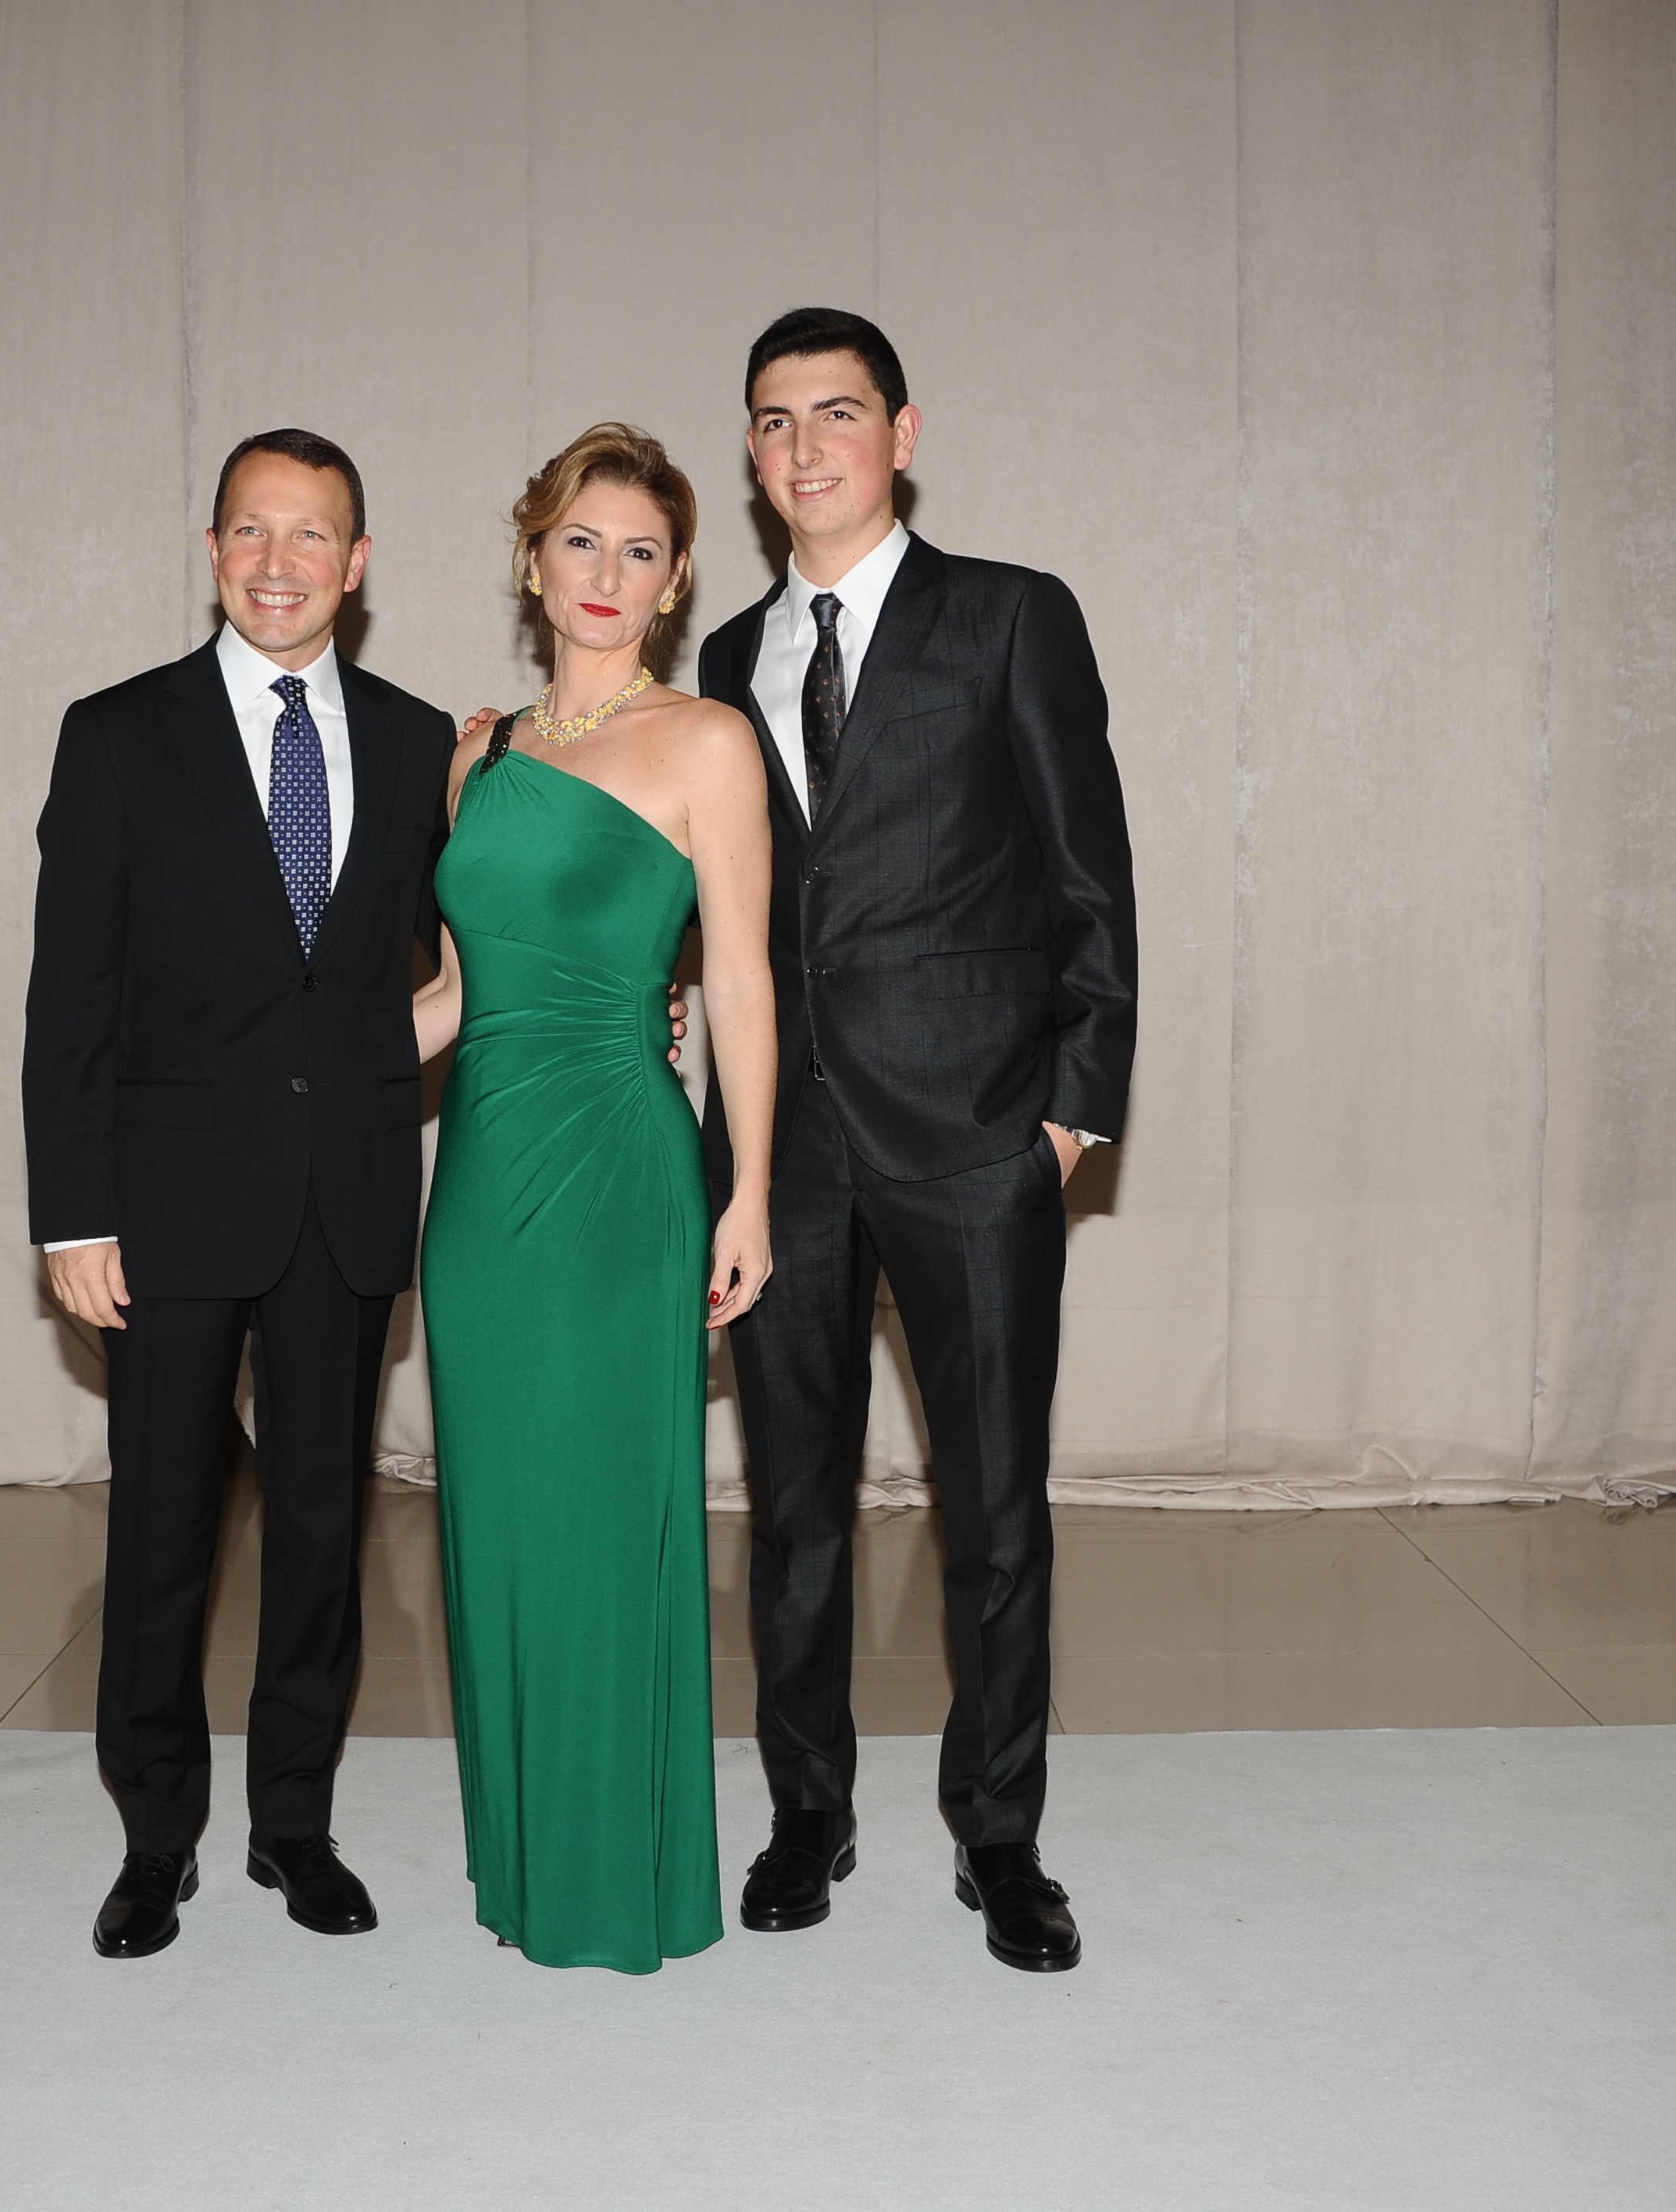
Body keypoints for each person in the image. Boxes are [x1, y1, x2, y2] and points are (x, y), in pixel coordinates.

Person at [698, 308, 1136, 1974]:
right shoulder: (725, 657)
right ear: (751, 451)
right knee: (792, 1507)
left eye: (838, 412)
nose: (804, 445)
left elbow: (1090, 872)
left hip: (976, 1135)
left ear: (902, 431)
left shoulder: (1012, 616)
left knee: (994, 1511)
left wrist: (1073, 1112)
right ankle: (805, 1811)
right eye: (774, 419)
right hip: (782, 1148)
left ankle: (1000, 1837)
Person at [23, 430, 456, 1960]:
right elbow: (69, 994)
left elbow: (428, 960)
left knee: (325, 1532)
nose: (280, 562)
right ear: (214, 551)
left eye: (312, 534)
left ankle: (294, 1822)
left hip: (344, 1199)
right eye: (251, 531)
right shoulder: (116, 735)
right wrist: (72, 1213)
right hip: (165, 1208)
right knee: (162, 1530)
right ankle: (156, 1839)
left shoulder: (416, 744)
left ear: (357, 561)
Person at [412, 424, 779, 1972]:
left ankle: (615, 1872)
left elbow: (741, 979)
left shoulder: (707, 744)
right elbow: (450, 997)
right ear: (532, 558)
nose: (607, 574)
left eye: (640, 551)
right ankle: (524, 1860)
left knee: (607, 1517)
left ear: (677, 579)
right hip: (480, 1185)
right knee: (502, 1519)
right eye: (581, 541)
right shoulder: (476, 753)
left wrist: (748, 1192)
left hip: (622, 1173)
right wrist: (273, 1073)